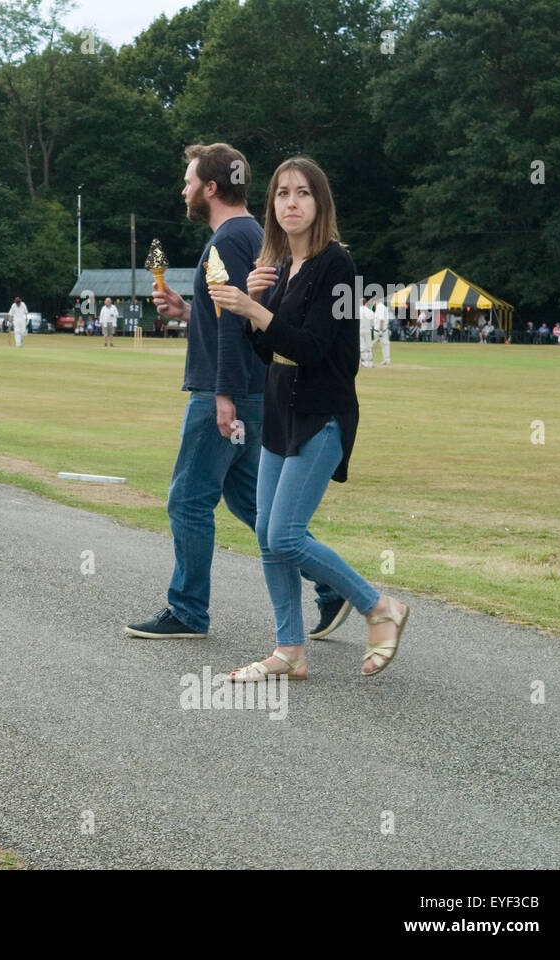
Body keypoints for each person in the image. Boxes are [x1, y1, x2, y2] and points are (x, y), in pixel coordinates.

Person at [126, 143, 345, 642]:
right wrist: (188, 311)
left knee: (187, 500)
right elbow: (238, 312)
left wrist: (222, 395)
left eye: (188, 181)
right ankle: (333, 587)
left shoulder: (228, 238)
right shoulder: (250, 233)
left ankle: (187, 612)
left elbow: (235, 322)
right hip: (250, 387)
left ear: (209, 188)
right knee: (252, 504)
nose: (183, 189)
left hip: (224, 391)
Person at [207, 156, 409, 680]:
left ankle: (378, 607)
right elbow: (268, 352)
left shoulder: (335, 265)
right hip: (280, 410)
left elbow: (316, 349)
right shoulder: (281, 267)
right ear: (271, 205)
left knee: (286, 535)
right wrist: (255, 302)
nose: (290, 203)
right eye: (281, 194)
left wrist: (255, 311)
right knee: (264, 532)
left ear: (319, 202)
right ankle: (289, 651)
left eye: (302, 193)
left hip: (321, 413)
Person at [357, 295, 375, 368]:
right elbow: (373, 323)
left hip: (360, 330)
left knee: (362, 346)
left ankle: (364, 363)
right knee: (369, 346)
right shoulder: (370, 311)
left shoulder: (357, 311)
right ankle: (370, 363)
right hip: (368, 330)